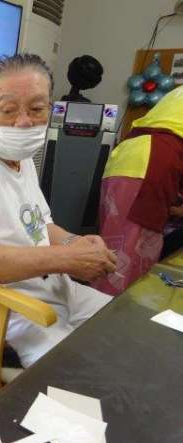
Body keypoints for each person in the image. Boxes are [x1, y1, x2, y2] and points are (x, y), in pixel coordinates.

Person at [0, 54, 117, 368]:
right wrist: (67, 259)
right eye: (8, 110)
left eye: (37, 109)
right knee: (80, 371)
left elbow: (40, 223)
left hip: (47, 285)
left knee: (126, 326)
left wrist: (75, 243)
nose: (24, 122)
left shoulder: (22, 159)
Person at [93, 86, 183, 296]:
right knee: (132, 254)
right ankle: (114, 307)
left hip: (129, 155)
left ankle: (99, 300)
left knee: (113, 243)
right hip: (154, 163)